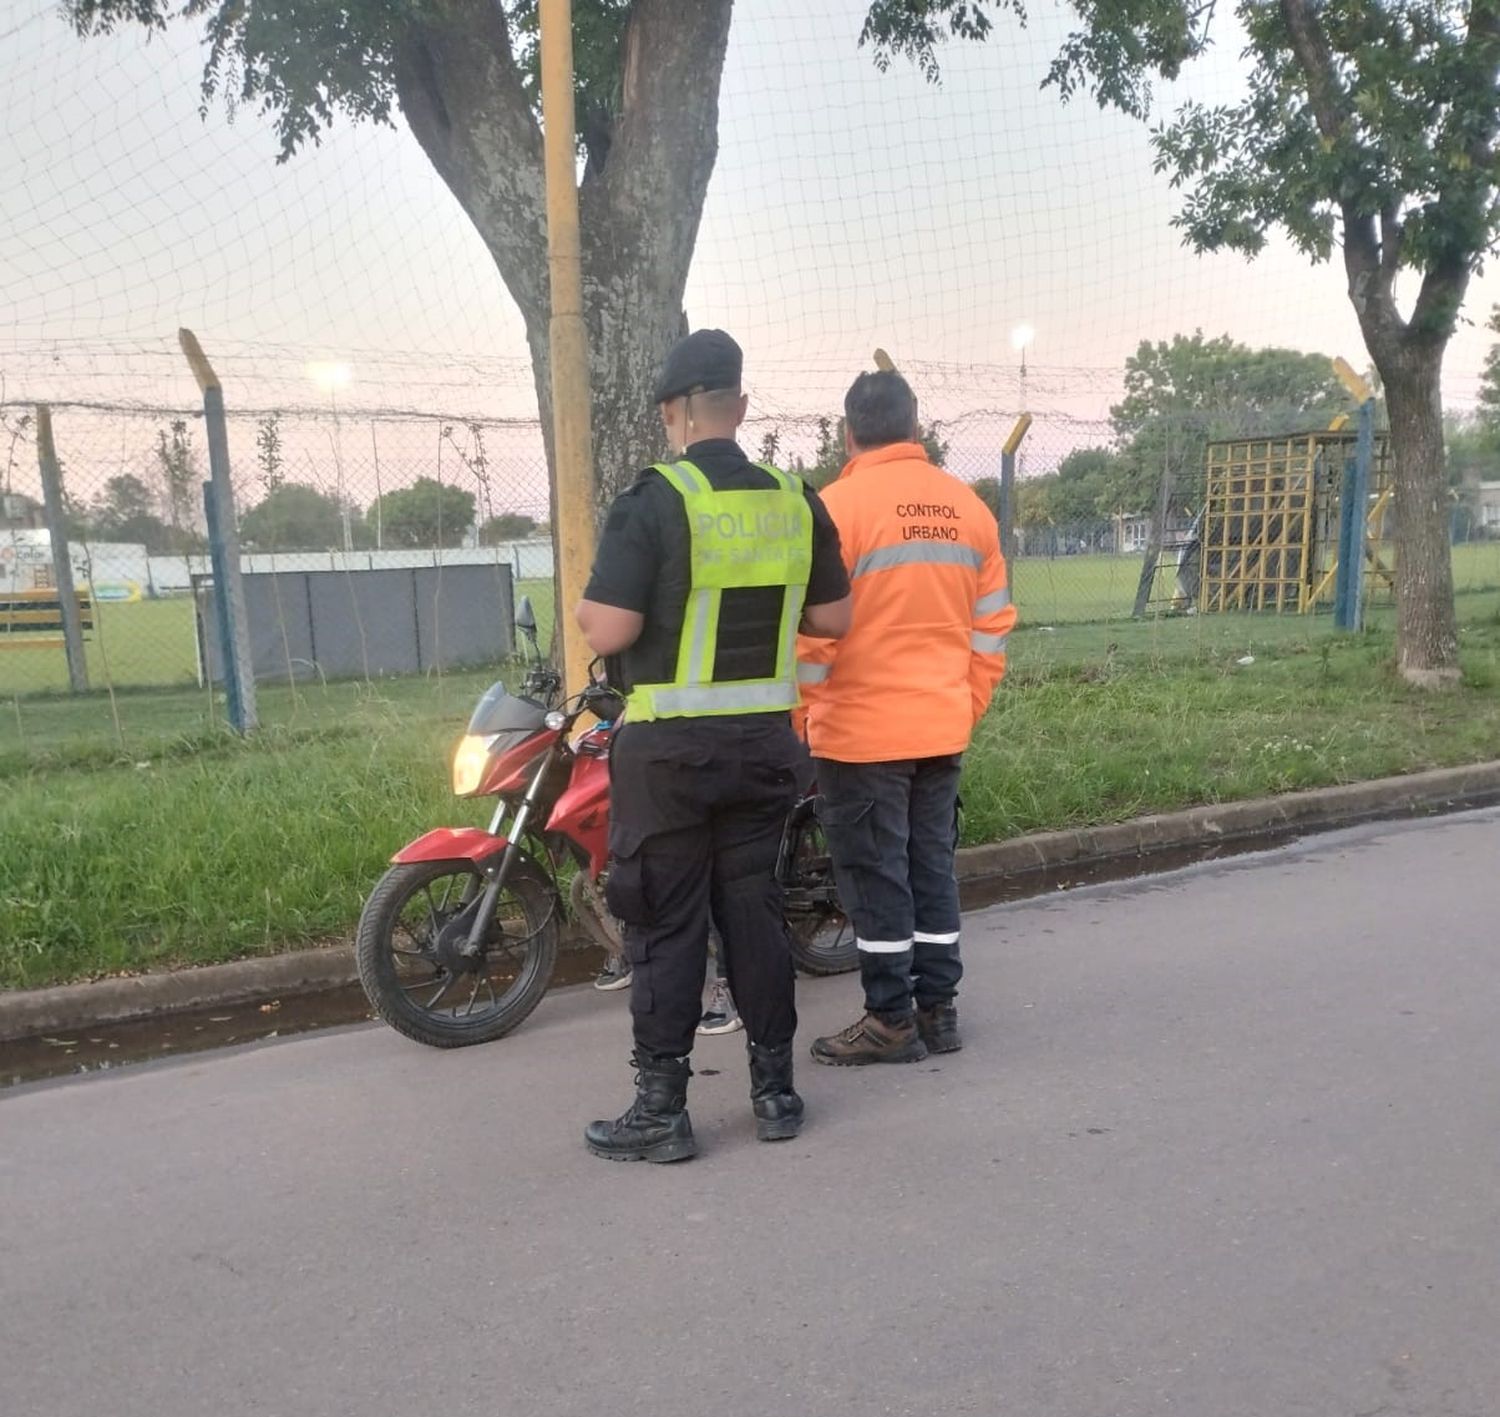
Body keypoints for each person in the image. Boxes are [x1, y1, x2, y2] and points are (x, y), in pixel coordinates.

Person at [575, 329, 852, 1161]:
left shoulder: (654, 500)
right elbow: (834, 619)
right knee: (753, 913)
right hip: (764, 747)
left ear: (671, 412)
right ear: (740, 404)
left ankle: (662, 1109)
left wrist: (594, 619)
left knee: (662, 922)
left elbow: (613, 624)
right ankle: (776, 1090)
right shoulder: (794, 497)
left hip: (668, 757)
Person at [794, 369, 1016, 1065]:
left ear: (848, 431)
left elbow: (811, 637)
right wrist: (964, 704)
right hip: (942, 724)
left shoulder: (835, 508)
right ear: (916, 428)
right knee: (930, 867)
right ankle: (937, 1011)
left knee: (874, 875)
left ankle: (889, 1018)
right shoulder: (967, 509)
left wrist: (801, 717)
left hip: (860, 735)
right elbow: (992, 628)